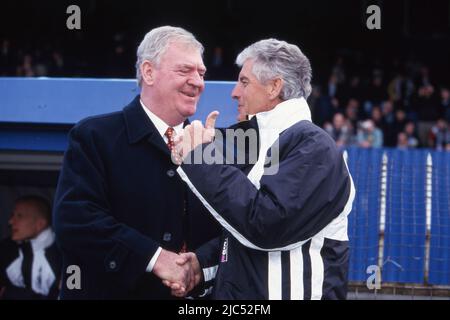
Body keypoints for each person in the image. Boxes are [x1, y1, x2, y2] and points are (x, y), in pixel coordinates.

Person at [171, 39, 355, 299]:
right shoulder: (268, 145)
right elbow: (244, 242)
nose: (234, 92)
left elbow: (266, 227)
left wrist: (199, 158)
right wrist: (201, 267)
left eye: (244, 82)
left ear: (274, 87)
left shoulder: (314, 147)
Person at [52, 26, 221, 299]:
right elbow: (75, 221)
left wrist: (199, 264)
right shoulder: (95, 136)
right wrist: (155, 258)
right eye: (184, 71)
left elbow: (236, 231)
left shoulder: (216, 148)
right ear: (148, 72)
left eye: (201, 73)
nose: (198, 81)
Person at [0, 195, 61, 300]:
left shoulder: (69, 254)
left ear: (40, 224)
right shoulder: (5, 249)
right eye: (12, 215)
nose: (10, 221)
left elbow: (76, 292)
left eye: (19, 216)